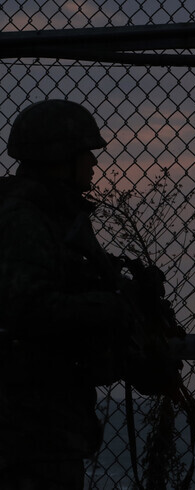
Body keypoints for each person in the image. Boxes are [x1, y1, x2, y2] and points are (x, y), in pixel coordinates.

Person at [0, 99, 180, 489]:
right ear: (61, 158)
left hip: (44, 425)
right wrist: (111, 305)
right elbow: (29, 309)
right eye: (86, 153)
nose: (94, 164)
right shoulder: (25, 220)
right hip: (27, 430)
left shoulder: (53, 216)